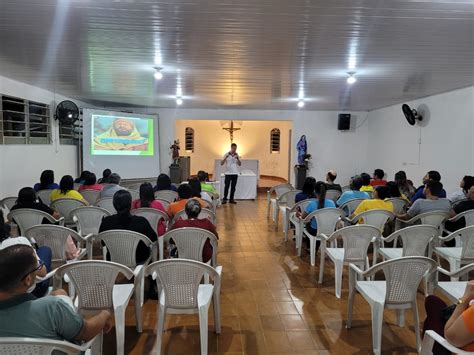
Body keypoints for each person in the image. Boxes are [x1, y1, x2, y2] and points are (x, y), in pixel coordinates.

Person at [0, 244, 113, 342]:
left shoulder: (50, 306)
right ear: (28, 280)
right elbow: (86, 332)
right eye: (38, 267)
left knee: (59, 293)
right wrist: (104, 315)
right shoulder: (52, 308)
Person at [0, 210, 52, 298]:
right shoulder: (19, 243)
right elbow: (42, 273)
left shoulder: (15, 208)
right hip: (30, 293)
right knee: (45, 250)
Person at [99, 190, 158, 263]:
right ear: (130, 204)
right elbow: (154, 238)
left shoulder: (106, 221)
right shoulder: (141, 221)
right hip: (139, 258)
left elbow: (103, 243)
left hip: (113, 258)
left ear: (114, 205)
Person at [423, 282, 474, 354]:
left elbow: (450, 337)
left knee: (432, 302)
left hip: (456, 349)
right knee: (434, 303)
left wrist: (464, 298)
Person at [298, 181, 336, 251]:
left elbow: (303, 218)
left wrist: (299, 214)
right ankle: (315, 247)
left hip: (315, 231)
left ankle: (310, 247)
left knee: (308, 224)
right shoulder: (332, 203)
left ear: (315, 192)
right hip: (330, 230)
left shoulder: (312, 204)